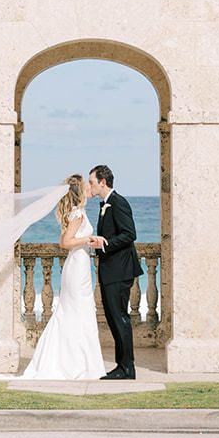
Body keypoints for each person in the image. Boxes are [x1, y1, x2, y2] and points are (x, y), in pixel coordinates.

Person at [16, 174, 105, 380]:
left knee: (77, 312)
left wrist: (87, 242)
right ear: (79, 191)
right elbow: (65, 242)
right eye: (86, 185)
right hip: (77, 267)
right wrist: (89, 239)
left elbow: (66, 238)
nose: (89, 188)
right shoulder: (78, 214)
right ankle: (74, 364)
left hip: (79, 264)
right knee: (76, 312)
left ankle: (76, 362)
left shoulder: (77, 212)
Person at [87, 163, 141, 380]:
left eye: (91, 182)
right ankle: (122, 366)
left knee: (120, 318)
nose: (90, 186)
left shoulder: (118, 203)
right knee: (113, 318)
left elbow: (130, 234)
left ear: (102, 182)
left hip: (120, 271)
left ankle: (127, 368)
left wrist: (105, 243)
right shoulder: (105, 204)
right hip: (111, 271)